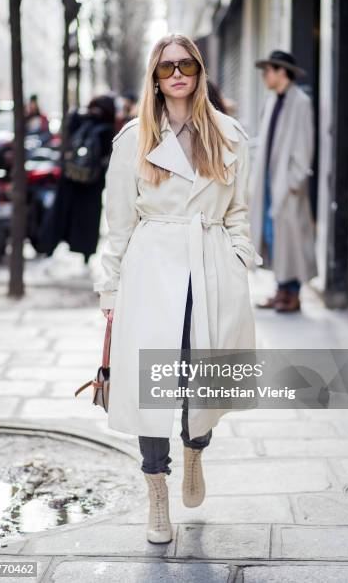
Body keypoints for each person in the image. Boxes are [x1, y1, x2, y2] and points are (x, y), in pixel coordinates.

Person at [93, 33, 262, 544]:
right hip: (151, 271)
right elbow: (117, 223)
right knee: (153, 387)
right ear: (155, 78)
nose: (177, 73)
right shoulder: (134, 140)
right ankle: (157, 493)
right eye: (166, 67)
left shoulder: (229, 135)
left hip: (210, 267)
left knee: (202, 378)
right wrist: (111, 294)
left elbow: (239, 211)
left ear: (200, 70)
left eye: (186, 64)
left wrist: (237, 258)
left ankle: (195, 450)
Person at [250, 50, 317, 312]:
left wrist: (293, 183)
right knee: (273, 235)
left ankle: (293, 292)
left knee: (291, 239)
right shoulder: (272, 100)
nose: (265, 75)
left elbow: (304, 146)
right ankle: (281, 288)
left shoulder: (299, 102)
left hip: (286, 183)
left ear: (281, 72)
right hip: (269, 179)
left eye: (268, 70)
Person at [37, 95, 116, 267]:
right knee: (84, 218)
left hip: (73, 178)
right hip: (91, 183)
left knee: (62, 214)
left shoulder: (85, 122)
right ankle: (84, 254)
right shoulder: (107, 128)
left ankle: (51, 249)